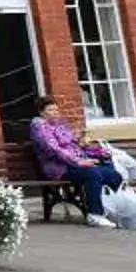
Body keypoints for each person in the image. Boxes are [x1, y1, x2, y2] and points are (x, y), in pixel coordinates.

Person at [29, 94, 125, 228]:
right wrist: (78, 162)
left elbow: (74, 143)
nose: (55, 113)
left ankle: (116, 211)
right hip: (59, 169)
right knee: (93, 174)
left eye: (56, 110)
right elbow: (54, 149)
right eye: (50, 110)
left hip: (76, 164)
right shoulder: (39, 128)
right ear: (42, 113)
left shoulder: (60, 126)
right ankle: (94, 215)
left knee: (112, 174)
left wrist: (90, 148)